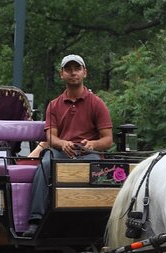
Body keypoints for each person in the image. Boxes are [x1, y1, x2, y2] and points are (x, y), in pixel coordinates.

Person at [23, 54, 113, 236]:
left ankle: (100, 219)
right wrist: (63, 143)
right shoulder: (54, 105)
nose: (73, 73)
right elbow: (50, 136)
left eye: (77, 69)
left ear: (84, 73)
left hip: (88, 153)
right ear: (61, 74)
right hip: (59, 153)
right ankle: (36, 220)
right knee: (45, 164)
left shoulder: (97, 103)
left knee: (98, 170)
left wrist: (92, 144)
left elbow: (107, 139)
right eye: (68, 70)